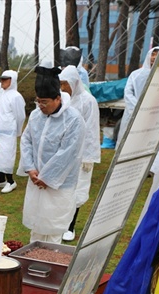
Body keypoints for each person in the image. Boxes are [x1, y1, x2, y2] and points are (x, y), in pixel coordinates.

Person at [16, 66, 84, 244]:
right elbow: (26, 140)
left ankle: (51, 263)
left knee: (53, 228)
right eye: (38, 101)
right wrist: (30, 168)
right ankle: (32, 257)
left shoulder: (73, 119)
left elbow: (68, 153)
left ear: (58, 98)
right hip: (36, 178)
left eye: (45, 102)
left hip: (58, 183)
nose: (41, 106)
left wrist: (47, 177)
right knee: (38, 224)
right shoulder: (35, 115)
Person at [59, 66, 101, 242]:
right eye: (60, 84)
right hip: (65, 152)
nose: (62, 88)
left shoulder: (88, 101)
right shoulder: (62, 100)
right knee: (63, 189)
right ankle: (60, 223)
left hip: (82, 152)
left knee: (78, 189)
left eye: (65, 84)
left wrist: (89, 156)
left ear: (74, 83)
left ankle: (70, 225)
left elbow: (91, 129)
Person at [117, 46, 159, 147]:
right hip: (133, 112)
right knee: (129, 140)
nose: (154, 57)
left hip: (153, 114)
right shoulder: (136, 74)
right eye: (152, 54)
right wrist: (138, 108)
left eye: (157, 54)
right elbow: (128, 92)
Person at [0, 70, 26, 193]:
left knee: (7, 156)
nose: (3, 82)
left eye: (6, 79)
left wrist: (18, 131)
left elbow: (20, 116)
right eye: (2, 79)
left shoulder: (16, 96)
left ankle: (11, 181)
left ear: (12, 80)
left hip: (8, 132)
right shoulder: (1, 93)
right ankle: (1, 179)